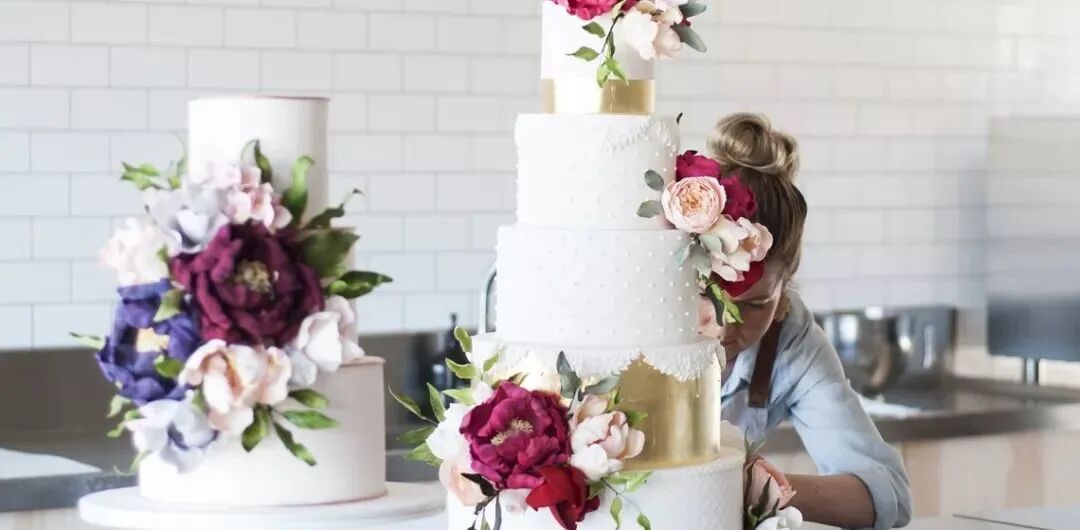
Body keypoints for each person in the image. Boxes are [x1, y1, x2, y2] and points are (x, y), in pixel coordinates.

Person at [702, 113, 912, 530]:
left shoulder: (790, 340)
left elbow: (889, 496)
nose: (725, 328)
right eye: (708, 296)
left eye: (755, 304)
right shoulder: (631, 324)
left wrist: (757, 487)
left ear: (784, 291)